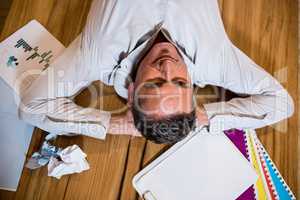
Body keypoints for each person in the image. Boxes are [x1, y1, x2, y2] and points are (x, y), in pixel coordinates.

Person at [19, 0, 294, 144]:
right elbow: (281, 103)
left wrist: (113, 124)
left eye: (155, 84)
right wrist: (205, 117)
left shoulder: (97, 55)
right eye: (180, 83)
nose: (168, 65)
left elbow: (32, 108)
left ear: (131, 92)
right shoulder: (215, 61)